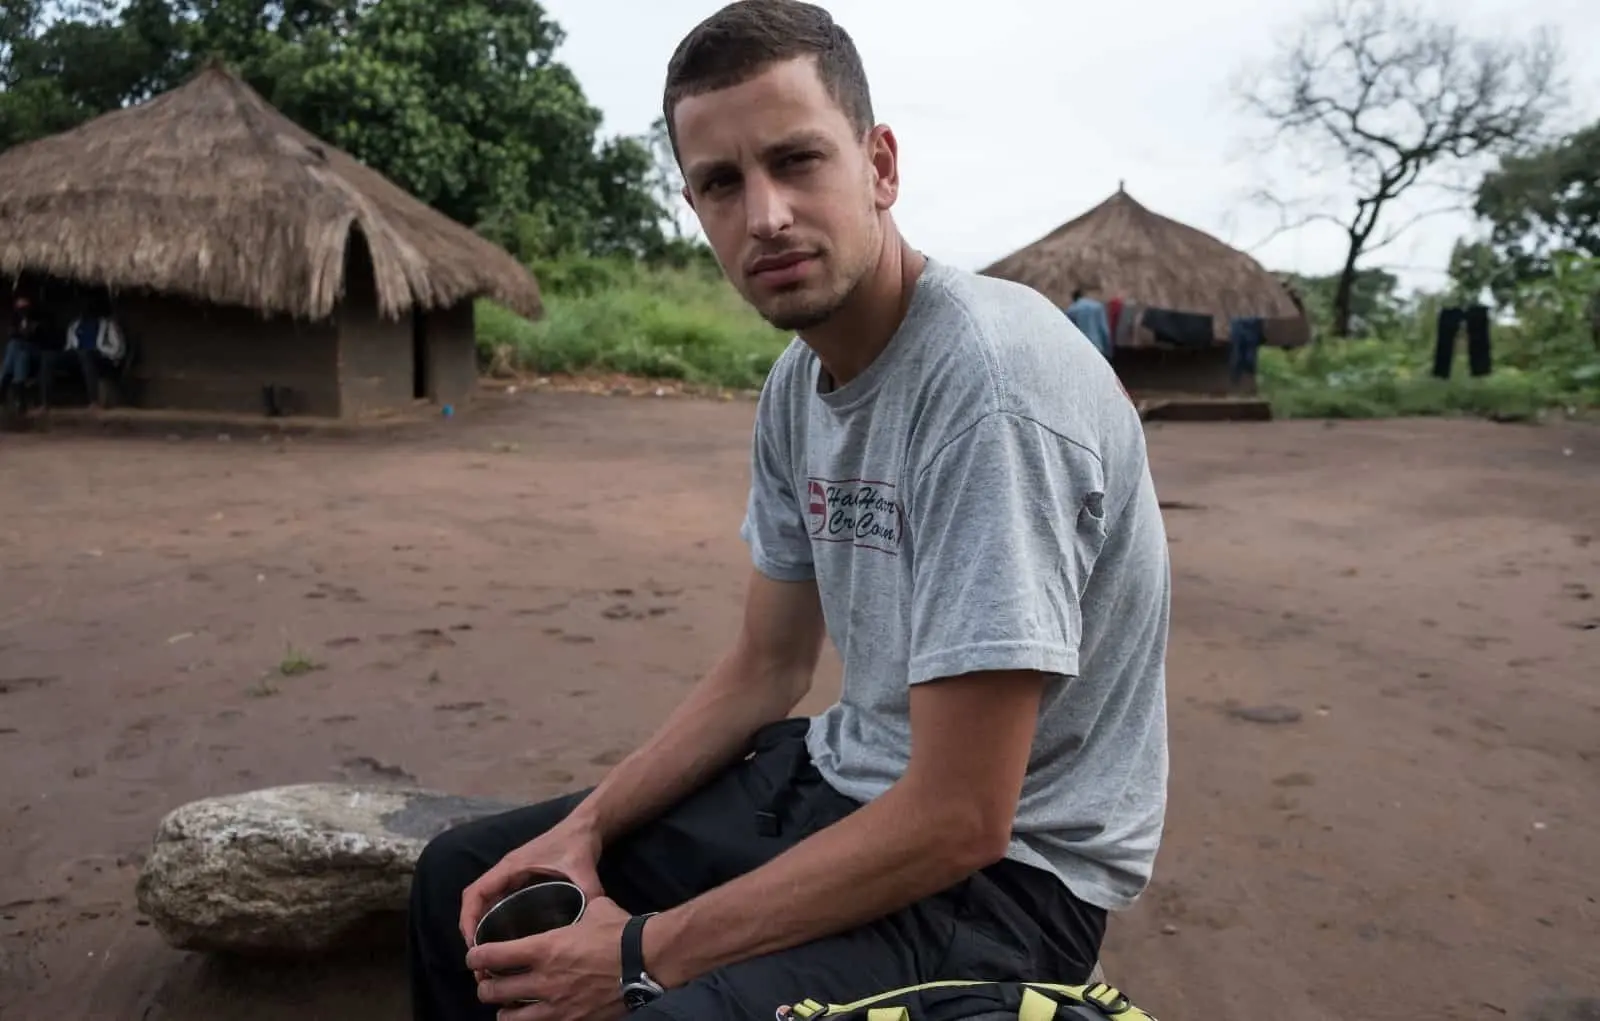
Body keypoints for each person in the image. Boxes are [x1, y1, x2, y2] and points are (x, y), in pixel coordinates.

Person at [406, 3, 1170, 1020]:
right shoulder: (797, 387)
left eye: (796, 160)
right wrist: (583, 828)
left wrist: (640, 953)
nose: (763, 213)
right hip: (833, 783)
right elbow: (764, 669)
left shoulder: (989, 387)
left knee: (652, 1007)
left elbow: (960, 816)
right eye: (721, 182)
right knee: (467, 874)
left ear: (880, 166)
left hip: (1010, 884)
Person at [1065, 287, 1113, 359]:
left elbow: (1069, 332)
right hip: (1097, 346)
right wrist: (1109, 350)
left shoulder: (1071, 310)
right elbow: (1104, 329)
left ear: (1074, 298)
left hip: (1080, 347)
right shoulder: (1097, 306)